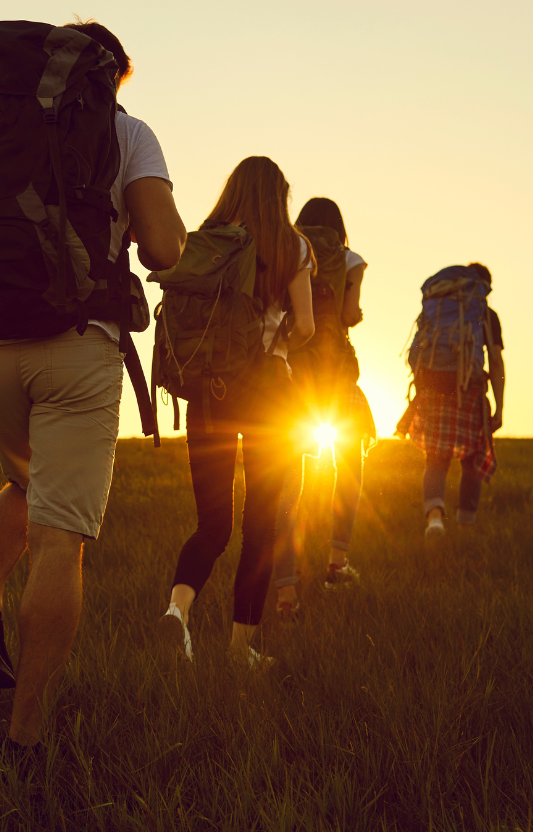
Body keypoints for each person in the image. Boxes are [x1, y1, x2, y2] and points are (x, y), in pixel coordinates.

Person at [0, 20, 185, 748]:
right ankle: (26, 740)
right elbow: (161, 246)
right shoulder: (127, 133)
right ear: (111, 75)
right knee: (62, 539)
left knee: (28, 486)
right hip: (77, 344)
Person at [162, 157, 314, 665]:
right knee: (261, 526)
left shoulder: (208, 241)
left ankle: (178, 612)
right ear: (279, 196)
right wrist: (278, 344)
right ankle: (238, 649)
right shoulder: (292, 246)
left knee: (213, 525)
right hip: (269, 395)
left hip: (211, 391)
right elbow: (309, 327)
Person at [272, 197, 376, 617]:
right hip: (336, 374)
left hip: (291, 371)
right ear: (339, 227)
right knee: (350, 466)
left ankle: (285, 593)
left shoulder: (288, 249)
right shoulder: (351, 259)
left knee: (284, 487)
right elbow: (349, 315)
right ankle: (337, 563)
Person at [400, 262, 503, 535]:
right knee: (471, 460)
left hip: (433, 387)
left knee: (435, 460)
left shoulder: (436, 310)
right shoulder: (484, 314)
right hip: (468, 390)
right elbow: (495, 360)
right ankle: (465, 529)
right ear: (484, 287)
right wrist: (500, 406)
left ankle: (434, 519)